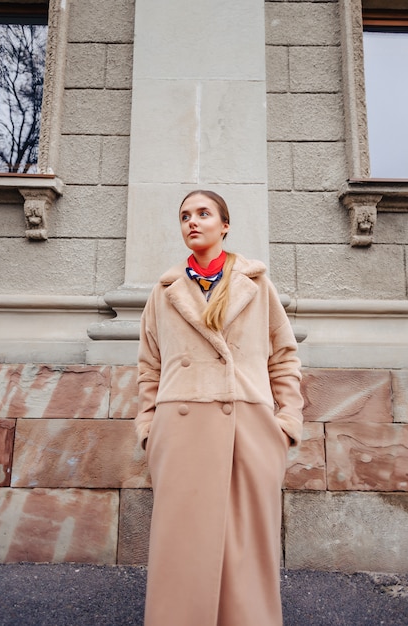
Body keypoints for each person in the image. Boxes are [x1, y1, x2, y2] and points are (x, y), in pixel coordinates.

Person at [135, 190, 304, 626]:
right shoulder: (164, 291)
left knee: (245, 549)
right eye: (185, 215)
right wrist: (149, 429)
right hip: (180, 431)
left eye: (204, 213)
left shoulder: (256, 284)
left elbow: (283, 356)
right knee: (182, 550)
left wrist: (285, 424)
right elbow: (149, 367)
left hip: (248, 430)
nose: (193, 221)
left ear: (224, 225)